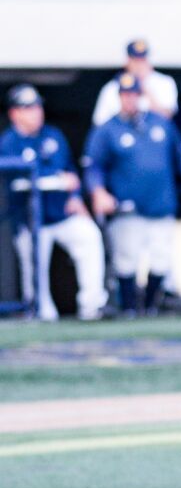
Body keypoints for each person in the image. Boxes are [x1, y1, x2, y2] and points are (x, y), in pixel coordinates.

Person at [83, 71, 181, 315]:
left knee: (161, 259)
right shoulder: (107, 129)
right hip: (128, 207)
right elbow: (94, 166)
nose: (130, 100)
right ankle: (130, 309)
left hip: (161, 203)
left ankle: (150, 306)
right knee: (126, 260)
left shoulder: (160, 124)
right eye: (125, 95)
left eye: (134, 95)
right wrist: (98, 192)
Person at [0, 83, 106, 320]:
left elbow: (70, 171)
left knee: (89, 235)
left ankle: (92, 305)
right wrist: (57, 180)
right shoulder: (8, 142)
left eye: (37, 106)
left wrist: (75, 197)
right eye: (27, 108)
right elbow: (17, 183)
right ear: (14, 113)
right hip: (30, 221)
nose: (35, 112)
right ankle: (41, 313)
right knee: (34, 272)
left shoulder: (53, 135)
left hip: (61, 213)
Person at [91, 39, 179, 126]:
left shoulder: (164, 82)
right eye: (135, 60)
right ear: (128, 61)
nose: (139, 65)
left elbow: (166, 118)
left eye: (142, 60)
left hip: (153, 137)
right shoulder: (112, 88)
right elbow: (100, 124)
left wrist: (144, 87)